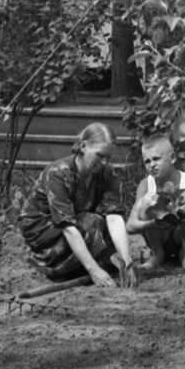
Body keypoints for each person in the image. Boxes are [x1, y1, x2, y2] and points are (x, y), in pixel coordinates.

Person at [18, 122, 137, 288]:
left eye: (108, 157)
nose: (104, 162)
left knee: (108, 233)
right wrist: (94, 270)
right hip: (43, 229)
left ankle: (83, 263)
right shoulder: (58, 173)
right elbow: (68, 227)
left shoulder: (107, 173)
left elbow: (114, 217)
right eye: (100, 155)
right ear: (83, 146)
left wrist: (127, 263)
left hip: (77, 222)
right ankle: (53, 265)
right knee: (92, 224)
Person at [126, 132, 185, 270]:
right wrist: (153, 224)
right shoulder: (145, 185)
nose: (152, 165)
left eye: (156, 159)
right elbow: (130, 226)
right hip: (160, 238)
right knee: (148, 201)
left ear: (172, 158)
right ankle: (157, 254)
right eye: (147, 161)